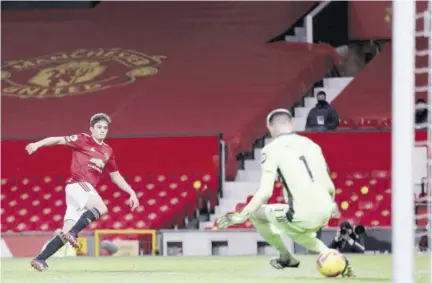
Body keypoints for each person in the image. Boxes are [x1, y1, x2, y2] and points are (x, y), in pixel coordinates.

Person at [217, 108, 354, 277]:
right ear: (292, 124)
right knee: (292, 229)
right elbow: (330, 186)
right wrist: (329, 207)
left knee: (257, 214)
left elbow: (266, 192)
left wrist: (241, 216)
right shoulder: (312, 145)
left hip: (301, 214)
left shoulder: (271, 149)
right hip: (327, 208)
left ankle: (285, 256)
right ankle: (333, 257)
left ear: (270, 128)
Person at [26, 113, 140, 271]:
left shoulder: (108, 150)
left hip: (77, 193)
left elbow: (115, 175)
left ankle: (40, 259)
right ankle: (74, 233)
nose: (102, 130)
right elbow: (58, 139)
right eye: (99, 127)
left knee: (65, 234)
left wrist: (131, 192)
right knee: (101, 208)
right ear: (91, 129)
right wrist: (38, 144)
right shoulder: (82, 139)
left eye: (105, 128)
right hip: (78, 184)